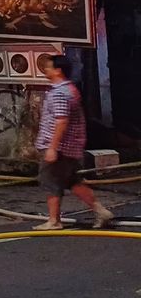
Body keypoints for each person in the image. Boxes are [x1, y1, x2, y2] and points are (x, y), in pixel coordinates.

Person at [32, 55, 113, 230]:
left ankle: (54, 221)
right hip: (69, 147)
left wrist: (52, 148)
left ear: (58, 71)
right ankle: (100, 211)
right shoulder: (68, 89)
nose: (45, 70)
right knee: (72, 181)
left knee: (50, 181)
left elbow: (61, 121)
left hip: (60, 147)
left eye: (48, 67)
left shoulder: (60, 93)